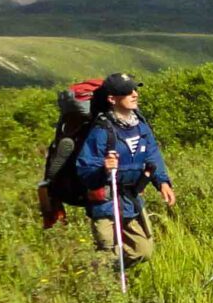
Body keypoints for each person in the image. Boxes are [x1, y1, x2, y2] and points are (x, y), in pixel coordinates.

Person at [74, 73, 175, 276]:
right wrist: (104, 167)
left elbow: (152, 153)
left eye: (135, 90)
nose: (134, 94)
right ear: (112, 99)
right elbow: (84, 168)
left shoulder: (140, 124)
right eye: (127, 92)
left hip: (131, 198)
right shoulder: (102, 129)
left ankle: (101, 275)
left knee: (143, 251)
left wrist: (162, 182)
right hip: (106, 201)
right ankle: (101, 287)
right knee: (109, 253)